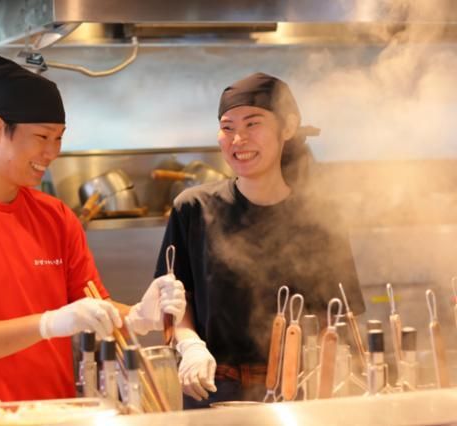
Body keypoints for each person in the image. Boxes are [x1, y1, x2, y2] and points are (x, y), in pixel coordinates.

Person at [0, 52, 186, 405]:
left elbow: (93, 308)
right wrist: (47, 324)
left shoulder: (56, 217)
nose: (52, 152)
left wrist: (140, 316)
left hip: (56, 412)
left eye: (59, 138)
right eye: (42, 136)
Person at [154, 73, 365, 408]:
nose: (238, 139)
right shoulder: (193, 208)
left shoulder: (320, 216)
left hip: (300, 394)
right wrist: (190, 345)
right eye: (227, 127)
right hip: (211, 392)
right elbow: (174, 303)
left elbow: (337, 317)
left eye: (253, 124)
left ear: (288, 127)